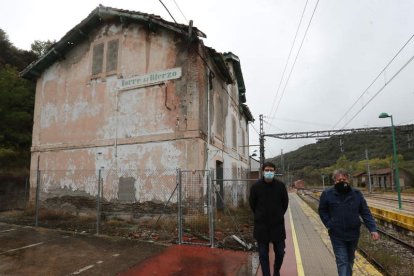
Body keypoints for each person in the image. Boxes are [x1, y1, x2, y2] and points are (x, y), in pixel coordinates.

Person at [318, 168, 380, 276]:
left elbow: (365, 212)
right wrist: (329, 224)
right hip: (337, 234)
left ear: (348, 180)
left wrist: (373, 229)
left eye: (344, 179)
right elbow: (322, 210)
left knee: (350, 260)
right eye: (339, 180)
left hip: (353, 233)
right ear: (334, 181)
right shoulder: (327, 194)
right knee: (342, 261)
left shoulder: (356, 194)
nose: (342, 182)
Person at [249, 162, 289, 276]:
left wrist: (278, 215)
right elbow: (252, 204)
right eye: (267, 170)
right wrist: (259, 216)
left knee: (280, 252)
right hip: (261, 226)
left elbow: (285, 204)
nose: (269, 172)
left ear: (275, 171)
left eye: (271, 170)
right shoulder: (255, 187)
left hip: (277, 226)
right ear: (263, 171)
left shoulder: (281, 186)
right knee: (263, 255)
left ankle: (276, 271)